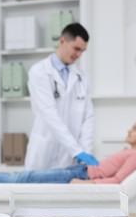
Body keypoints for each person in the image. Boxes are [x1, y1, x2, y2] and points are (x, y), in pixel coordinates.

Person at [0, 119, 136, 184]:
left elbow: (118, 180)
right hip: (81, 170)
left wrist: (86, 184)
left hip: (81, 176)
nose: (129, 131)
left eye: (135, 129)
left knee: (27, 178)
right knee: (28, 176)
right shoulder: (131, 152)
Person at [25, 22, 96, 170]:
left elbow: (88, 117)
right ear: (62, 41)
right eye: (76, 49)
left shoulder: (82, 77)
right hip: (44, 152)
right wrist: (76, 150)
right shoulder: (39, 72)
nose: (79, 55)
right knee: (35, 191)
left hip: (69, 156)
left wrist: (86, 151)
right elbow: (49, 114)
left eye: (82, 51)